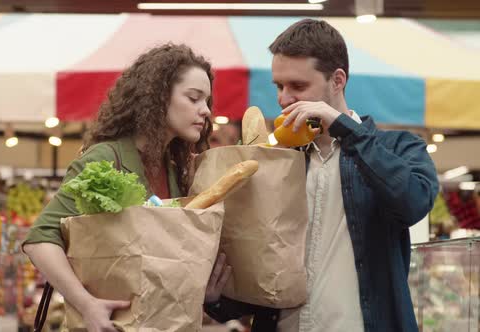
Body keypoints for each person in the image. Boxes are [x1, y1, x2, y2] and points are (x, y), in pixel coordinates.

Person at [203, 18, 439, 332]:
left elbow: (413, 201)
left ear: (337, 80)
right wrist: (218, 299)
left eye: (298, 86)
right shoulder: (279, 162)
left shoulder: (398, 147)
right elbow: (264, 275)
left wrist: (344, 129)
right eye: (279, 86)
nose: (284, 99)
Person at [23, 43, 220, 332]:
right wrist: (86, 304)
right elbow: (40, 240)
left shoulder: (176, 171)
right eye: (193, 98)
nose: (204, 111)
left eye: (207, 102)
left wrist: (203, 291)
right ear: (158, 97)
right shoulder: (105, 158)